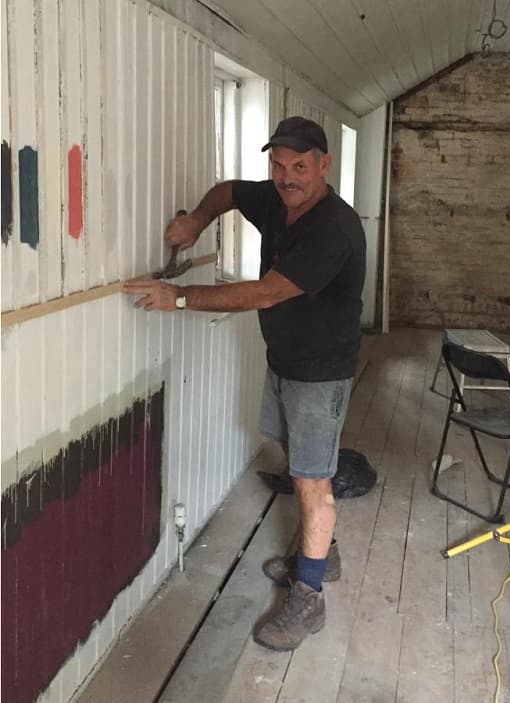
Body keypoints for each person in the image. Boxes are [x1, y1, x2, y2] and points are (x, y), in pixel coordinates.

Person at [124, 116, 366, 651]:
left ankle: (309, 598)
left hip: (321, 371)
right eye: (278, 165)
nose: (286, 177)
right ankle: (321, 554)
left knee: (312, 480)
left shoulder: (334, 228)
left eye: (299, 166)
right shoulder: (275, 199)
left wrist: (180, 298)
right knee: (294, 459)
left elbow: (265, 293)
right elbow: (230, 192)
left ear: (324, 165)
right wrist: (197, 221)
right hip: (285, 358)